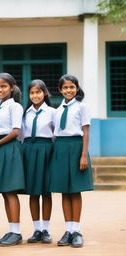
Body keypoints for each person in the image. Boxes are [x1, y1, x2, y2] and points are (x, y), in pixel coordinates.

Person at [50, 74, 94, 248]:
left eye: (72, 87)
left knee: (75, 190)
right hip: (60, 148)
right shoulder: (57, 109)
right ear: (60, 90)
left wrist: (83, 155)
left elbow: (86, 132)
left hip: (76, 147)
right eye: (65, 87)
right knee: (64, 191)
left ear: (77, 88)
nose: (68, 90)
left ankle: (76, 231)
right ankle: (68, 230)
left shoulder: (82, 107)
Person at [0, 73, 25, 246]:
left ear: (11, 87)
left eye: (3, 86)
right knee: (4, 191)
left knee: (10, 191)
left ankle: (16, 232)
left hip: (8, 147)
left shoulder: (15, 107)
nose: (0, 89)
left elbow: (15, 131)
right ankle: (11, 230)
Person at [21, 79, 55, 244]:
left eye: (38, 92)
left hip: (46, 150)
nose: (35, 95)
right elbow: (21, 135)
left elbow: (56, 134)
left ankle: (46, 229)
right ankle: (36, 229)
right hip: (29, 150)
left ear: (45, 93)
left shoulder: (51, 112)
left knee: (46, 192)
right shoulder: (25, 113)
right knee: (33, 192)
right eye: (32, 92)